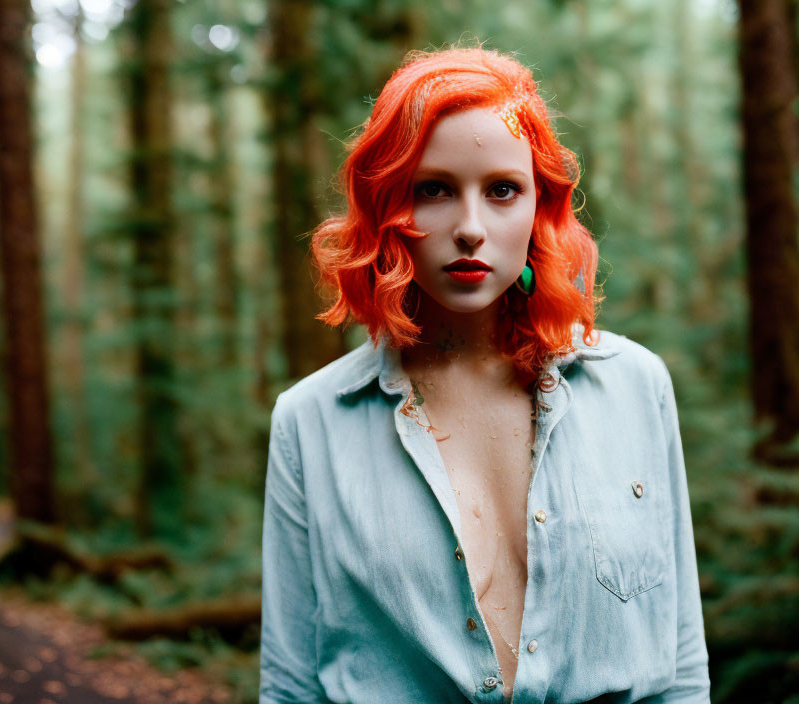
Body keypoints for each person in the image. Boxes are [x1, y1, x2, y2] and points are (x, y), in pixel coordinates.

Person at [259, 47, 711, 704]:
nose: (471, 228)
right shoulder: (310, 421)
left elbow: (681, 666)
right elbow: (292, 686)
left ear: (540, 207)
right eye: (434, 189)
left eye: (502, 190)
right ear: (388, 207)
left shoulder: (637, 386)